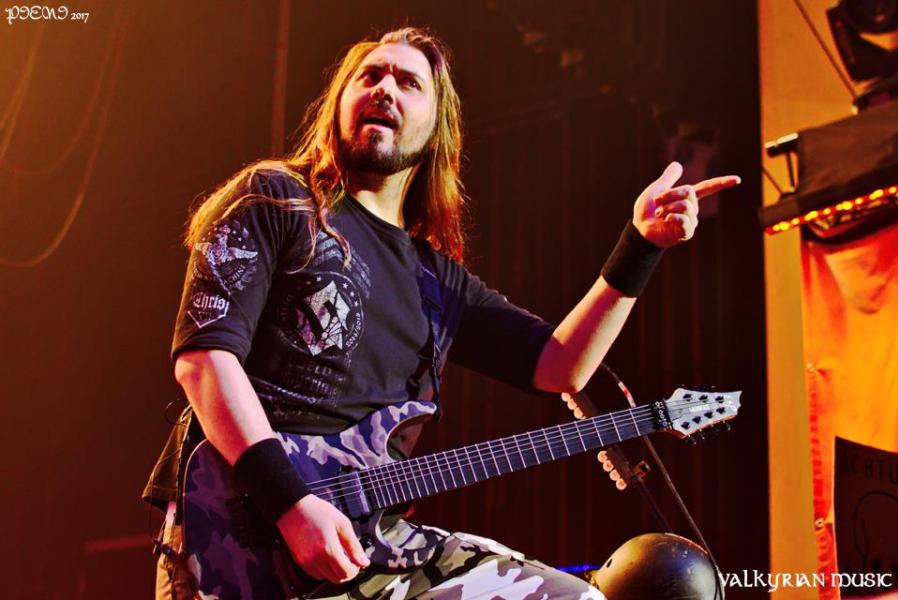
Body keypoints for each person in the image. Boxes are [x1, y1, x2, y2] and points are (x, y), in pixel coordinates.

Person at [144, 26, 740, 600]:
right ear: (338, 105)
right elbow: (204, 361)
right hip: (240, 539)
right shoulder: (277, 198)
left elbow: (560, 366)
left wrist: (641, 246)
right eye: (369, 76)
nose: (385, 88)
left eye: (409, 83)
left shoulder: (435, 281)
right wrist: (291, 504)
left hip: (376, 551)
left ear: (436, 128)